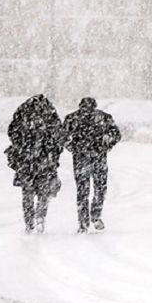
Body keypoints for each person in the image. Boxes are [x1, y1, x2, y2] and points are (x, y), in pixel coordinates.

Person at [6, 94, 65, 234]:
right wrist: (53, 151)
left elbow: (12, 132)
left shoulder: (22, 113)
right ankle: (40, 216)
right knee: (43, 191)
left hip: (26, 160)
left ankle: (28, 221)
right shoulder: (50, 114)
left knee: (27, 192)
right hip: (45, 160)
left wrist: (21, 146)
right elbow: (59, 136)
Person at [63, 97, 121, 233]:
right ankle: (95, 215)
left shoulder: (72, 118)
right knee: (99, 189)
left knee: (82, 191)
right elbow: (116, 134)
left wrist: (71, 147)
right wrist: (107, 143)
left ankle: (83, 222)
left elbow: (62, 136)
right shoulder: (103, 117)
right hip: (98, 158)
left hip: (81, 159)